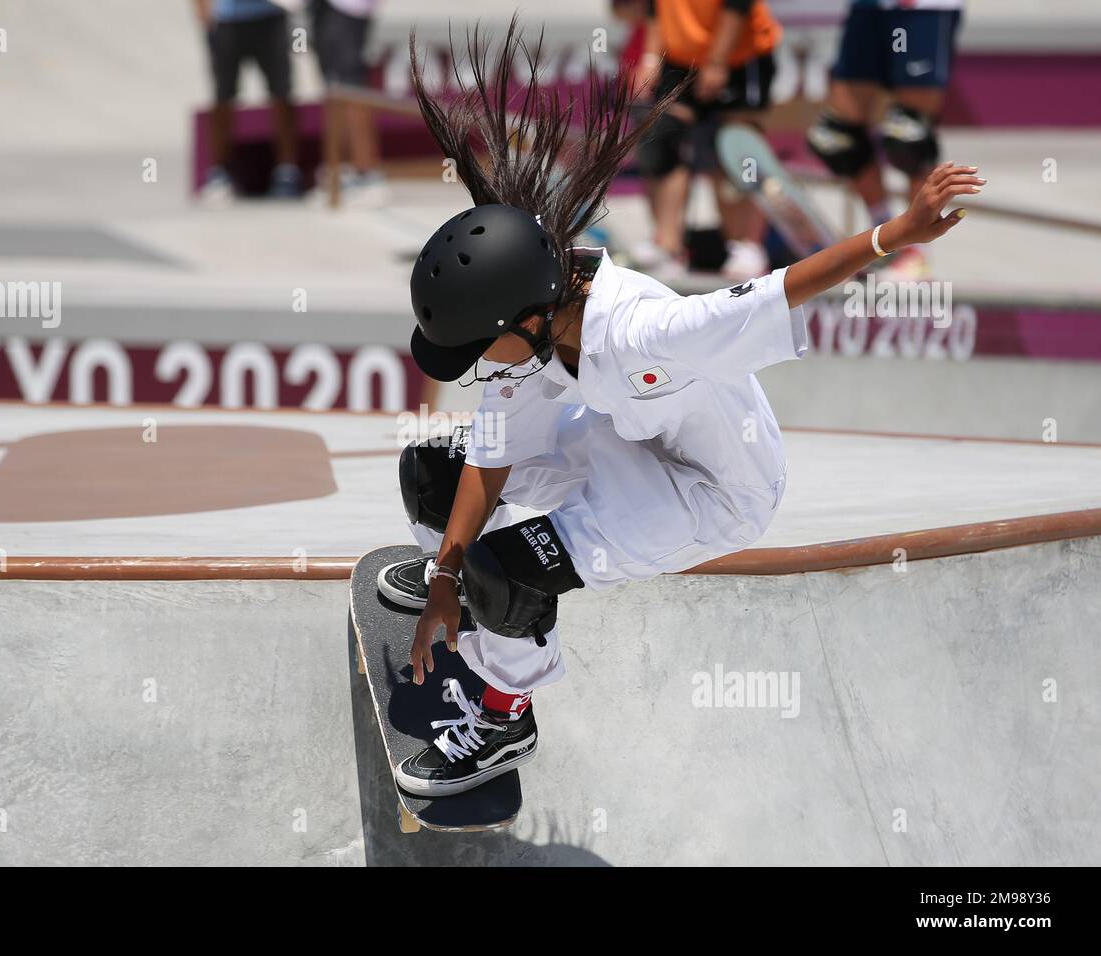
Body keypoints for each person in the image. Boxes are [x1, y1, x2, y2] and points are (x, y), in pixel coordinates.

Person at [381, 20, 980, 796]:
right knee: (434, 475)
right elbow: (491, 460)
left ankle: (503, 716)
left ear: (519, 321)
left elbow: (778, 289)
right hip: (619, 438)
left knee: (511, 575)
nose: (472, 369)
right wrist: (444, 577)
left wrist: (896, 232)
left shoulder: (649, 333)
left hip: (709, 492)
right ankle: (471, 592)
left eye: (475, 351)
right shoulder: (527, 325)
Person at [806, 0, 963, 277]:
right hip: (869, 6)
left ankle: (917, 251)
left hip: (921, 8)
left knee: (910, 137)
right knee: (836, 137)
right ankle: (887, 237)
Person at [634, 0, 784, 280]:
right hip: (679, 56)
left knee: (733, 149)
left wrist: (717, 61)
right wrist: (650, 57)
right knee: (662, 140)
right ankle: (669, 248)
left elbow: (738, 5)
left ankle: (745, 247)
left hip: (739, 53)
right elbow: (655, 7)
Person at [195, 0, 304, 202]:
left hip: (271, 16)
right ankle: (219, 173)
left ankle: (287, 170)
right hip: (227, 20)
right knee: (223, 96)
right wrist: (204, 17)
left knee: (282, 93)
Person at [310, 0, 388, 207]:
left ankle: (368, 174)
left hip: (347, 9)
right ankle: (344, 169)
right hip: (327, 9)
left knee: (352, 88)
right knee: (335, 89)